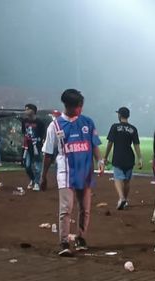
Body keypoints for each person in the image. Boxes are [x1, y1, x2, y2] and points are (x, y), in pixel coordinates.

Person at [41, 89, 104, 257]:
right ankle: (64, 242)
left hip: (85, 172)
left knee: (85, 208)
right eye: (78, 106)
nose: (81, 108)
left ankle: (81, 238)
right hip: (66, 172)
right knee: (66, 208)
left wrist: (100, 160)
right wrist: (43, 177)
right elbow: (48, 153)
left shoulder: (87, 122)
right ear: (68, 106)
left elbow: (94, 144)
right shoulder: (54, 126)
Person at [104, 107, 142, 210]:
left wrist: (105, 156)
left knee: (117, 178)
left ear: (119, 115)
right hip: (129, 157)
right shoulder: (133, 129)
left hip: (118, 157)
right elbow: (136, 144)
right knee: (127, 181)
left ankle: (121, 198)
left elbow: (110, 143)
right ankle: (125, 200)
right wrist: (140, 158)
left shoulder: (115, 127)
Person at [21, 104, 46, 190]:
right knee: (27, 166)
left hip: (37, 147)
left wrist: (39, 144)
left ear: (33, 111)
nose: (26, 111)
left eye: (28, 109)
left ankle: (37, 183)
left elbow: (43, 135)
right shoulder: (24, 121)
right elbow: (24, 133)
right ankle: (33, 179)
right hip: (28, 147)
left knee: (37, 166)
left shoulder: (40, 122)